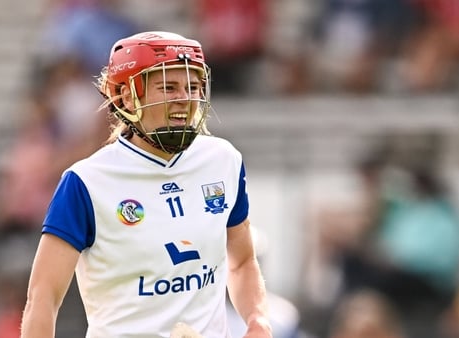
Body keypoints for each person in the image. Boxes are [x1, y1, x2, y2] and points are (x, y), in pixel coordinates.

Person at [20, 31, 273, 338]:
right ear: (127, 96)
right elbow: (43, 297)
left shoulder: (223, 161)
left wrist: (258, 321)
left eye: (192, 86)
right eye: (168, 87)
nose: (185, 98)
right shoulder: (86, 182)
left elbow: (243, 261)